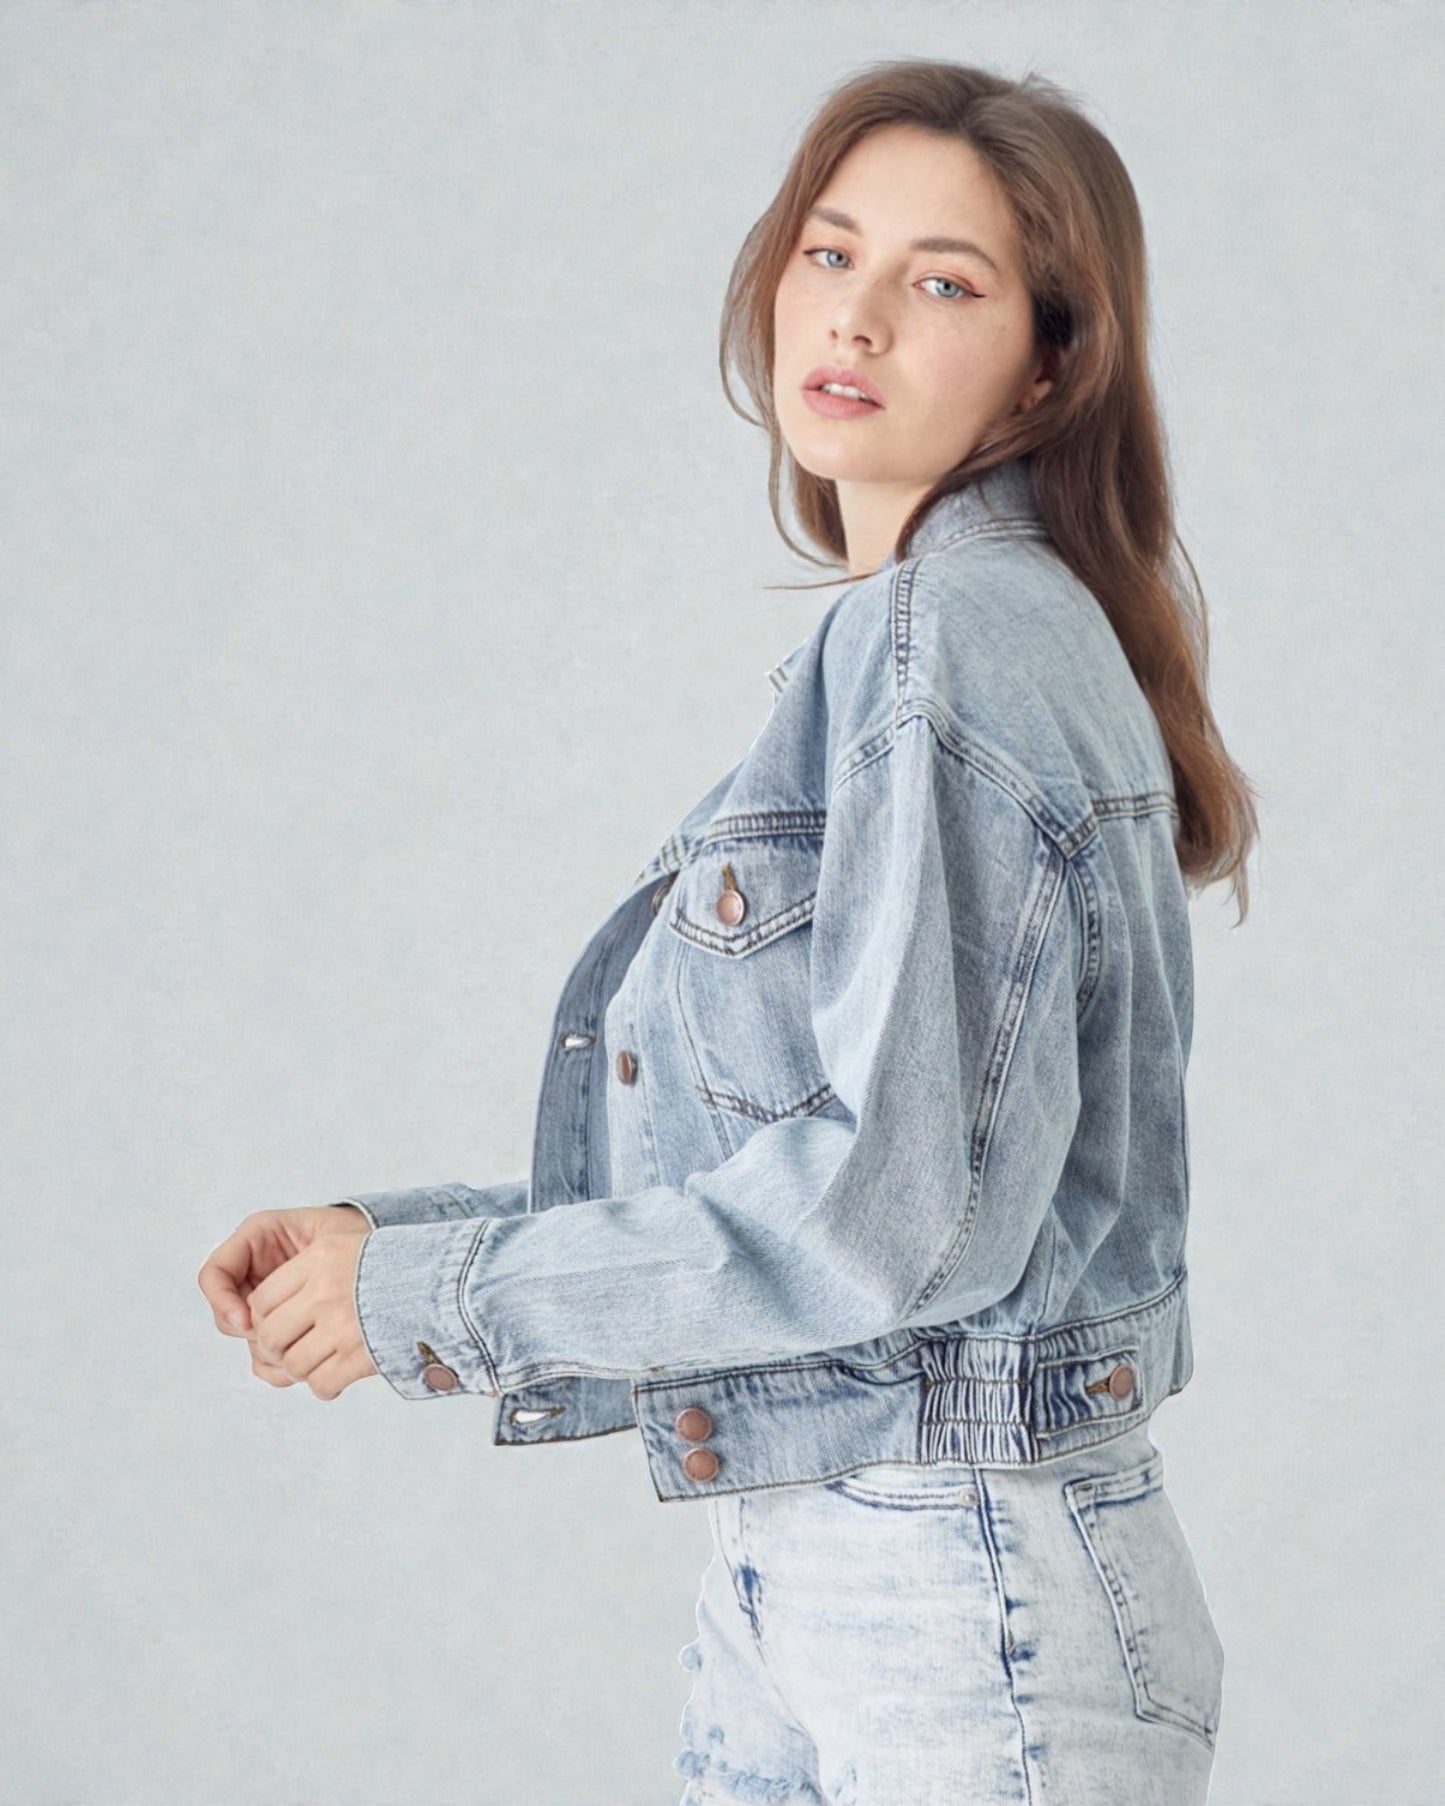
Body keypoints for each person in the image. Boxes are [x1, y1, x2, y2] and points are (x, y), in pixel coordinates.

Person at [199, 56, 1257, 1806]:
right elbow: (806, 1174)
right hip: (840, 1569)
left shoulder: (956, 645)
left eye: (944, 282)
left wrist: (432, 1296)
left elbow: (887, 1228)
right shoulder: (941, 636)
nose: (854, 317)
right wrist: (389, 1244)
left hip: (955, 1592)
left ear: (1050, 360)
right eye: (829, 253)